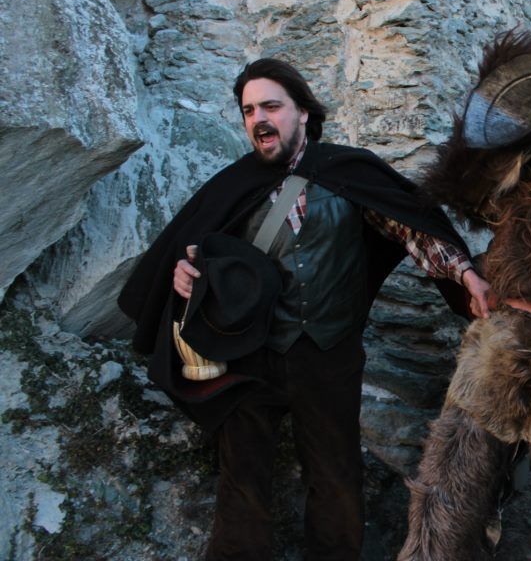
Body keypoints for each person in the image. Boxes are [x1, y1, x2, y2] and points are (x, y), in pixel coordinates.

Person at [118, 58, 490, 561]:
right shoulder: (234, 185)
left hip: (327, 353)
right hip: (249, 355)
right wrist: (184, 277)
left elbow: (413, 230)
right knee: (242, 481)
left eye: (271, 106)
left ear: (304, 113)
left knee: (336, 478)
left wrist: (464, 272)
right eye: (249, 111)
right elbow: (199, 256)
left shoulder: (348, 171)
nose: (259, 119)